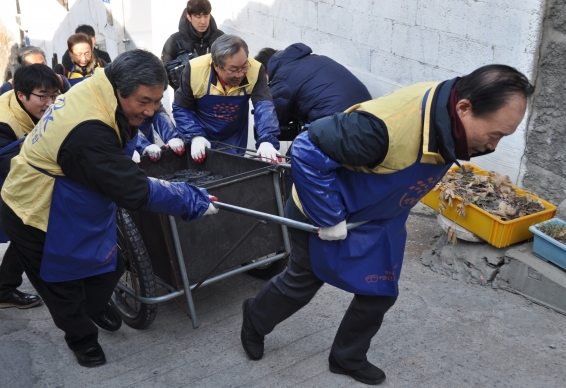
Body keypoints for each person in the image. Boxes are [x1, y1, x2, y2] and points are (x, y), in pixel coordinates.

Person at [240, 65, 535, 385]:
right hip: (325, 211)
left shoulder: (448, 115)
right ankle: (254, 320)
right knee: (303, 282)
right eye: (495, 135)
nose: (493, 147)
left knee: (379, 292)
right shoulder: (382, 129)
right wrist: (329, 217)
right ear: (464, 108)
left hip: (381, 215)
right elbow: (307, 150)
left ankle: (346, 357)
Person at [0, 49, 218, 368]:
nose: (151, 110)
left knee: (111, 264)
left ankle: (95, 305)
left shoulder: (101, 84)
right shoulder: (89, 129)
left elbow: (123, 142)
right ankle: (82, 339)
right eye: (144, 101)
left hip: (74, 199)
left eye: (157, 102)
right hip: (33, 208)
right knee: (62, 289)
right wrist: (191, 199)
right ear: (120, 89)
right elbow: (136, 190)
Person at [0, 64, 59, 308]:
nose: (50, 102)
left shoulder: (44, 104)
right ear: (21, 94)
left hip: (11, 168)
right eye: (43, 96)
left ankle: (5, 289)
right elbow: (16, 167)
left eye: (54, 95)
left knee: (26, 229)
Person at [173, 34, 281, 163]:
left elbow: (264, 108)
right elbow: (182, 108)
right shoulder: (194, 70)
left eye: (244, 67)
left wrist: (267, 140)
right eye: (233, 70)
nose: (240, 74)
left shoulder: (256, 70)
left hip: (234, 135)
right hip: (201, 132)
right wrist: (194, 136)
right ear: (216, 66)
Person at [254, 43, 372, 141]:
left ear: (265, 71)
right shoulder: (314, 58)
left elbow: (271, 118)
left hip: (339, 122)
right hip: (368, 115)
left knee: (297, 155)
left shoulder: (282, 78)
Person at [161, 0, 224, 90]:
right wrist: (180, 79)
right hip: (185, 99)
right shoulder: (174, 41)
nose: (203, 21)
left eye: (206, 16)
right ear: (189, 17)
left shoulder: (221, 38)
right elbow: (163, 73)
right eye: (198, 17)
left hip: (215, 98)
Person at [0, 46, 70, 97]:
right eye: (33, 66)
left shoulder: (60, 81)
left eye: (42, 64)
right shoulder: (9, 87)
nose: (40, 69)